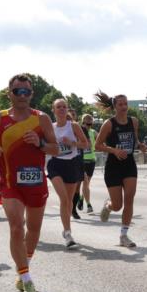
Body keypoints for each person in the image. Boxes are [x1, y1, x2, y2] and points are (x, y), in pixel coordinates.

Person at [0, 74, 59, 292]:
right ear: (9, 93)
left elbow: (56, 149)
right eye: (17, 91)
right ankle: (27, 279)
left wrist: (40, 143)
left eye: (26, 92)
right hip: (10, 184)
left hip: (36, 182)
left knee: (33, 230)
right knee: (16, 227)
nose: (22, 96)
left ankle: (24, 266)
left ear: (31, 94)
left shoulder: (41, 119)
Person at [94, 92, 147, 247]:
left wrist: (140, 146)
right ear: (114, 107)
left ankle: (124, 236)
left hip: (129, 164)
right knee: (118, 205)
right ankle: (108, 206)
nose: (124, 107)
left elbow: (135, 139)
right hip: (113, 166)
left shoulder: (134, 121)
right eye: (120, 104)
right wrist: (114, 151)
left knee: (129, 199)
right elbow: (97, 145)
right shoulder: (109, 124)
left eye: (126, 104)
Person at [47, 99, 89, 248]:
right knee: (64, 199)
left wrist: (72, 143)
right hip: (55, 164)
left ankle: (66, 231)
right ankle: (68, 233)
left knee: (69, 201)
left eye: (64, 107)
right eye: (58, 107)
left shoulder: (74, 126)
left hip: (71, 164)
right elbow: (43, 145)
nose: (62, 109)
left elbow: (86, 144)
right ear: (53, 110)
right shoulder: (50, 127)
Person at [77, 113, 98, 213]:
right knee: (85, 183)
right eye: (87, 124)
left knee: (86, 184)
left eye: (90, 124)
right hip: (82, 161)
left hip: (91, 161)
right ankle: (89, 205)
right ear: (83, 122)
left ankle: (81, 199)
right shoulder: (78, 132)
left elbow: (101, 141)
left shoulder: (93, 132)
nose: (88, 126)